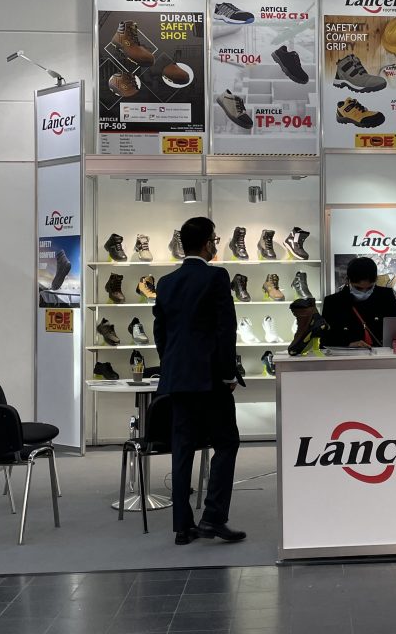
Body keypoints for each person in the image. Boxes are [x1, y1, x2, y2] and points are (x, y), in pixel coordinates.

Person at [153, 217, 246, 546]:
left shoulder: (165, 282)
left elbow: (160, 333)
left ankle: (183, 527)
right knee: (226, 443)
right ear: (208, 243)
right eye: (215, 240)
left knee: (182, 450)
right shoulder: (216, 276)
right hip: (210, 378)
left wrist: (172, 365)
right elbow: (225, 328)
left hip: (178, 378)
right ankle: (213, 517)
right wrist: (228, 372)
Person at [321, 256, 396, 347]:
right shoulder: (333, 302)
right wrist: (348, 344)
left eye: (369, 288)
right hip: (348, 354)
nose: (364, 292)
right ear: (347, 280)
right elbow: (325, 339)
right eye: (358, 288)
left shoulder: (386, 296)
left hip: (382, 353)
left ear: (376, 280)